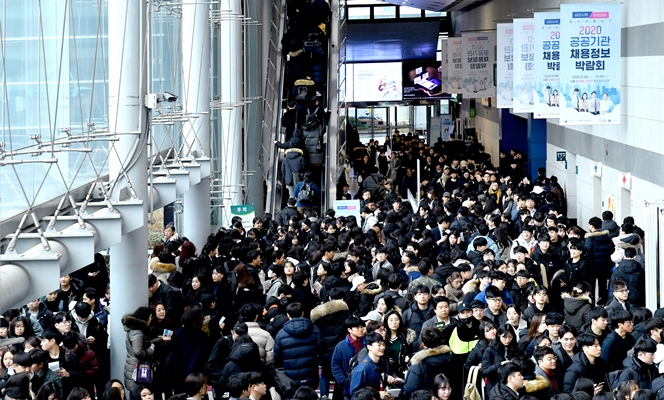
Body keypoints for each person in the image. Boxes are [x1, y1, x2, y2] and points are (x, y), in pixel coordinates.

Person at [273, 303, 325, 389]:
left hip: (290, 375)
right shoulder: (315, 330)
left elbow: (277, 356)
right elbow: (322, 349)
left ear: (288, 315)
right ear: (302, 313)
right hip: (310, 373)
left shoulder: (281, 334)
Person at [403, 328, 452, 395]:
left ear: (423, 344)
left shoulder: (418, 362)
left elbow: (409, 389)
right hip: (447, 395)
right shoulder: (451, 357)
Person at [331, 317, 366, 400]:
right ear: (349, 330)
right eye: (357, 327)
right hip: (347, 386)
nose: (361, 329)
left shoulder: (367, 344)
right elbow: (335, 365)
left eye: (362, 327)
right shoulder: (341, 346)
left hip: (365, 385)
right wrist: (343, 381)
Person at [121, 308, 153, 391]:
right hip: (137, 369)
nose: (151, 319)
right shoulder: (137, 332)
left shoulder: (135, 330)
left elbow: (142, 343)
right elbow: (138, 352)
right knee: (137, 394)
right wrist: (150, 351)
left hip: (134, 366)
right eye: (150, 317)